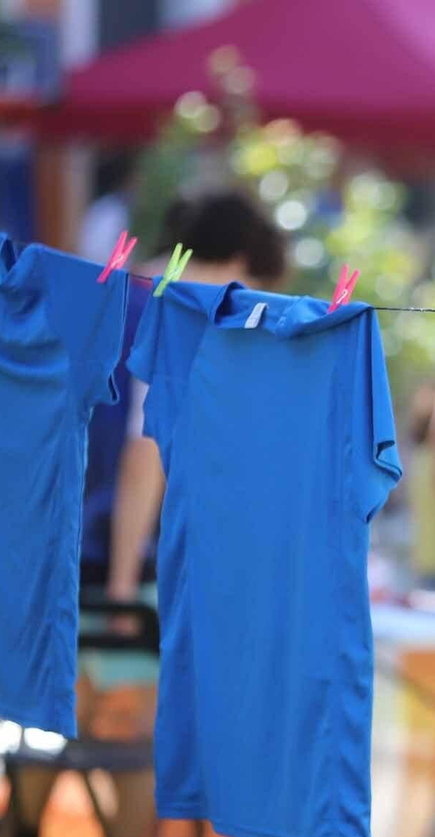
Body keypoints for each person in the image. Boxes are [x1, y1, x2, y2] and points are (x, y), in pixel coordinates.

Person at [99, 187, 286, 604]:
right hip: (103, 547)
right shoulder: (170, 309)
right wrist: (121, 587)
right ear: (239, 268)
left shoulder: (129, 292)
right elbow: (143, 455)